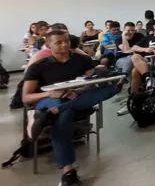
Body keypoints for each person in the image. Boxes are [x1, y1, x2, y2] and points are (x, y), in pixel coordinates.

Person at [23, 30, 120, 186]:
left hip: (76, 98)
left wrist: (78, 90)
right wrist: (50, 94)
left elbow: (92, 82)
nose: (65, 45)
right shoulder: (38, 66)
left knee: (112, 88)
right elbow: (26, 97)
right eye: (59, 42)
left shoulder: (82, 60)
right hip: (49, 101)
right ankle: (68, 170)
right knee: (65, 114)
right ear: (48, 45)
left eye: (66, 41)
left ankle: (50, 114)